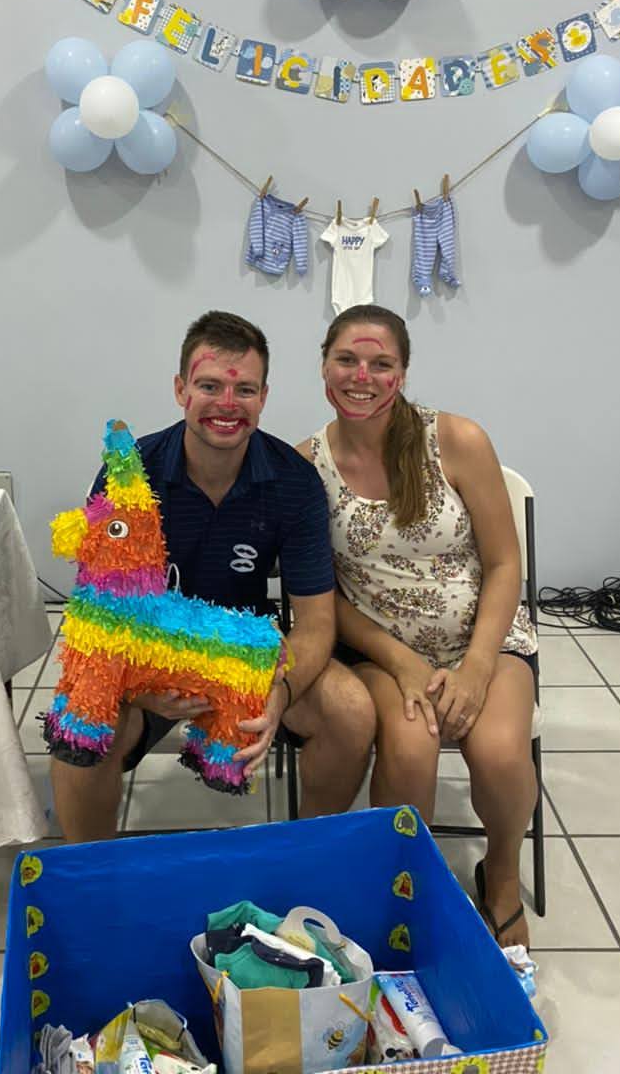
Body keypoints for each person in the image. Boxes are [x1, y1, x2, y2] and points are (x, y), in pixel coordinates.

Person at [50, 310, 375, 842]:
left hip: (244, 660)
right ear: (181, 390)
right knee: (80, 726)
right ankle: (94, 874)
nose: (227, 404)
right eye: (209, 386)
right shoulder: (130, 473)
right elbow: (97, 613)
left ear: (263, 397)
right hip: (143, 661)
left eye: (244, 389)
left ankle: (308, 857)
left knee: (352, 711)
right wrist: (142, 687)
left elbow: (317, 622)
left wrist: (280, 690)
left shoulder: (294, 482)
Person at [297, 304, 538, 948]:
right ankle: (404, 887)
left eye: (381, 363)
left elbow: (504, 562)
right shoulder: (305, 466)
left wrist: (477, 668)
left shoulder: (456, 440)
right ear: (323, 365)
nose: (362, 376)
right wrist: (403, 663)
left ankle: (502, 876)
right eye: (347, 359)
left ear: (402, 373)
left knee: (500, 752)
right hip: (381, 651)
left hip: (484, 640)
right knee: (410, 748)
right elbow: (321, 597)